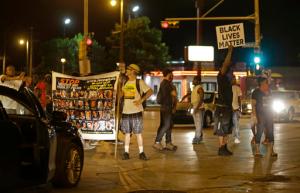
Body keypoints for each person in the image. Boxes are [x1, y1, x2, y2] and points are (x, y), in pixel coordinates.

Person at [121, 64, 153, 160]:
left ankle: (141, 152)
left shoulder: (139, 82)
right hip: (126, 111)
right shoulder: (124, 82)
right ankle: (126, 152)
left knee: (138, 133)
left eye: (128, 69)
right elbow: (121, 95)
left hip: (136, 111)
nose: (126, 70)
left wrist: (141, 100)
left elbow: (150, 91)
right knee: (127, 133)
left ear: (133, 71)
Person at [214, 46, 234, 156]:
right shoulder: (221, 77)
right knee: (223, 128)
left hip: (226, 107)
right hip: (222, 107)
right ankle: (221, 148)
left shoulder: (225, 79)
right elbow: (226, 64)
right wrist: (230, 51)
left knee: (226, 128)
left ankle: (224, 147)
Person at [251, 76, 277, 157]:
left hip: (269, 114)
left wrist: (273, 113)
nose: (268, 84)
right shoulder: (256, 92)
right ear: (261, 83)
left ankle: (272, 151)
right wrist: (254, 115)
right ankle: (257, 151)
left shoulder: (269, 91)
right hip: (260, 114)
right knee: (259, 131)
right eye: (266, 82)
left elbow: (272, 102)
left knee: (270, 132)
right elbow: (253, 104)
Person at [153, 68, 177, 151]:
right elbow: (173, 94)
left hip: (167, 107)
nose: (172, 76)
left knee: (169, 125)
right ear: (168, 74)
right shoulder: (165, 83)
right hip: (166, 107)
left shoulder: (167, 83)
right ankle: (157, 142)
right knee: (166, 125)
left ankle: (168, 143)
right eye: (171, 74)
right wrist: (173, 91)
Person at [191, 75, 205, 144]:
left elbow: (201, 98)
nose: (193, 81)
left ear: (198, 81)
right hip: (195, 107)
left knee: (199, 124)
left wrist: (197, 108)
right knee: (197, 124)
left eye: (194, 79)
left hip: (199, 108)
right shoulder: (195, 88)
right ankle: (199, 137)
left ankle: (197, 138)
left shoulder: (199, 88)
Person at [231, 76, 242, 144]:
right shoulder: (228, 88)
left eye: (235, 79)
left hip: (235, 108)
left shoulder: (237, 88)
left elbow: (239, 99)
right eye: (233, 79)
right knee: (234, 124)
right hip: (231, 109)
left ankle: (237, 137)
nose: (234, 80)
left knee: (236, 124)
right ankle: (235, 137)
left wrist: (239, 108)